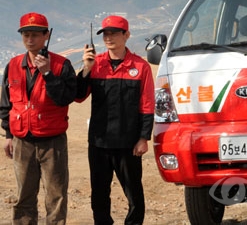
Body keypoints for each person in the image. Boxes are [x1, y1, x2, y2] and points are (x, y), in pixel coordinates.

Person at [75, 15, 155, 225]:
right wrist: (86, 68)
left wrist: (143, 137)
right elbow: (78, 96)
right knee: (99, 194)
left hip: (128, 143)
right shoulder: (95, 64)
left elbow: (146, 104)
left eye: (114, 33)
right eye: (105, 34)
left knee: (134, 192)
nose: (109, 38)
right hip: (99, 142)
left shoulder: (140, 67)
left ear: (126, 35)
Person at [0, 12, 77, 224]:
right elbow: (7, 103)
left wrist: (48, 74)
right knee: (24, 195)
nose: (30, 40)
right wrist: (8, 135)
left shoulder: (62, 65)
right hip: (22, 141)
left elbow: (66, 98)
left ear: (46, 36)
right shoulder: (13, 65)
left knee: (56, 196)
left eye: (35, 35)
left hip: (53, 142)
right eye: (26, 35)